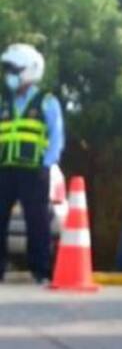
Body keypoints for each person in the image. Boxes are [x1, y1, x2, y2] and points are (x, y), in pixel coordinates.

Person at [0, 44, 64, 284]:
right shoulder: (3, 101)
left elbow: (57, 137)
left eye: (13, 70)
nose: (9, 76)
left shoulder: (46, 102)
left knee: (37, 221)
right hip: (4, 169)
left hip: (33, 170)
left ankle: (42, 270)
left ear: (29, 71)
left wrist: (46, 165)